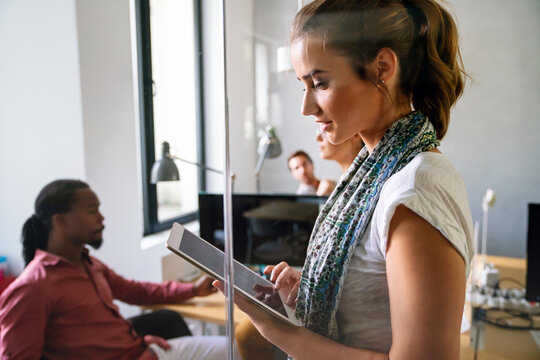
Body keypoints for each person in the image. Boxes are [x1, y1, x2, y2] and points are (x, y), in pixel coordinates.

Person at [219, 1, 474, 359]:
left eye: (320, 83)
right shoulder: (369, 172)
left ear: (382, 68)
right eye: (302, 86)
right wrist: (308, 289)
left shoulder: (415, 190)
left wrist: (280, 332)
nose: (306, 107)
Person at [0, 179, 233, 360]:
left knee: (239, 347)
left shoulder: (89, 264)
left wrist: (192, 289)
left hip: (145, 351)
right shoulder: (32, 288)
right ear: (61, 221)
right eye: (92, 211)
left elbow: (136, 292)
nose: (101, 218)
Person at [236, 133, 364, 360]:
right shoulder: (313, 193)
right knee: (246, 332)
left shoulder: (334, 188)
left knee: (246, 335)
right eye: (296, 167)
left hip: (330, 291)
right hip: (306, 275)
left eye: (305, 164)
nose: (317, 136)